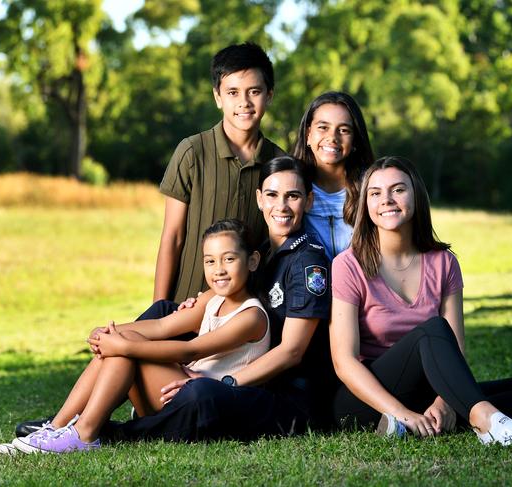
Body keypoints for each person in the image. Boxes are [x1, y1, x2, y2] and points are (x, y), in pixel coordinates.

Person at [96, 155, 332, 441]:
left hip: (284, 394)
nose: (280, 206)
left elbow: (291, 352)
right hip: (250, 375)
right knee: (162, 311)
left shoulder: (308, 262)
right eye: (272, 195)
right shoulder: (263, 251)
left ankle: (110, 433)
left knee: (201, 392)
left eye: (292, 196)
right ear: (260, 199)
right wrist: (111, 333)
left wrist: (225, 383)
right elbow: (205, 305)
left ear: (307, 201)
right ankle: (79, 418)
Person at [329, 156, 512, 446]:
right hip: (364, 399)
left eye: (398, 189)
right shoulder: (348, 265)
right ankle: (486, 423)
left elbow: (456, 348)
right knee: (433, 330)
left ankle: (436, 419)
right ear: (366, 204)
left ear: (416, 196)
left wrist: (444, 402)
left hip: (427, 388)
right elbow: (344, 361)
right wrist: (402, 412)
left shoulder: (443, 262)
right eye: (375, 193)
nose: (386, 199)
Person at [0, 219, 270, 454]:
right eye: (210, 261)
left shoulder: (251, 316)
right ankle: (57, 428)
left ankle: (83, 434)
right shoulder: (212, 298)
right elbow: (162, 327)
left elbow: (191, 351)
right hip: (172, 392)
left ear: (253, 260)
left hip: (199, 406)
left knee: (126, 350)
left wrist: (123, 343)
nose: (219, 269)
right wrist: (109, 333)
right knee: (120, 346)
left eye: (229, 259)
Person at [155, 42, 285, 306]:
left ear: (269, 95)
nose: (244, 103)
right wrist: (159, 306)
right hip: (185, 305)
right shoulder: (192, 152)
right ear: (218, 97)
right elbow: (173, 236)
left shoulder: (280, 163)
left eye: (254, 91)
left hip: (246, 312)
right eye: (233, 92)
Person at [292, 92, 374, 260]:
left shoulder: (372, 187)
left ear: (355, 140)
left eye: (343, 130)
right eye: (323, 127)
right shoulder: (291, 185)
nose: (332, 137)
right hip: (304, 283)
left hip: (361, 283)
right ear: (308, 133)